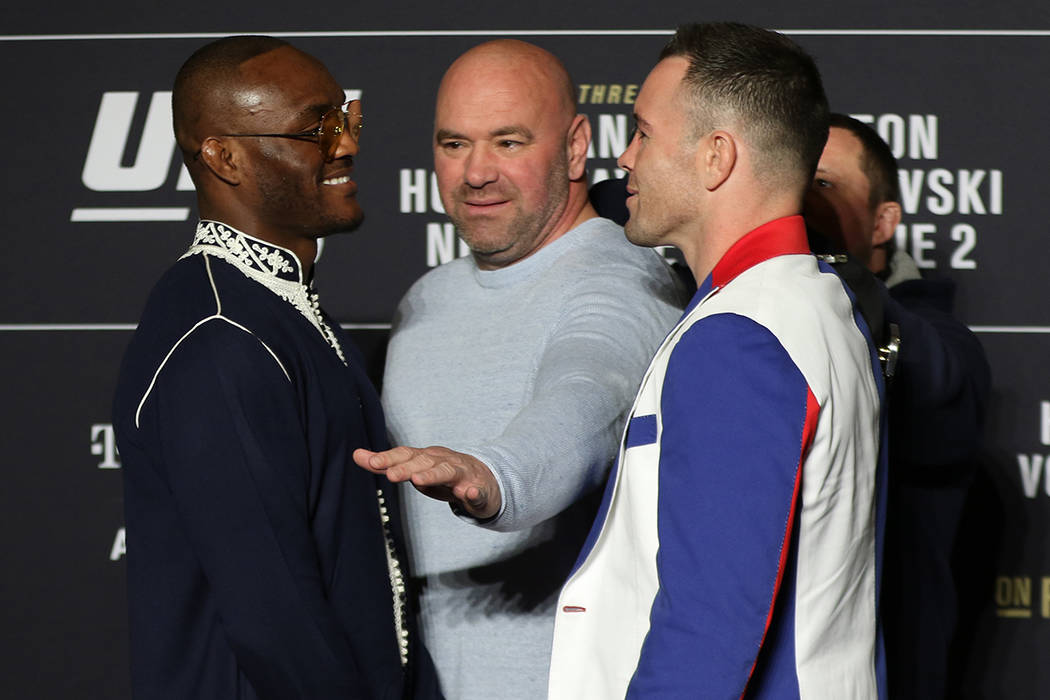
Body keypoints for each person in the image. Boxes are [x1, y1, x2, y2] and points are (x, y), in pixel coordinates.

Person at [548, 23, 888, 698]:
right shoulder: (821, 304)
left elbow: (708, 633)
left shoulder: (742, 337)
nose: (625, 157)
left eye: (643, 131)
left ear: (716, 158)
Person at [353, 39, 685, 699]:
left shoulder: (621, 278)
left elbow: (588, 392)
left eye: (508, 143)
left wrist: (493, 476)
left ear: (573, 146)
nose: (476, 173)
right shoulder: (425, 299)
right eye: (454, 145)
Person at [112, 35, 440, 700]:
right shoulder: (219, 338)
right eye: (316, 127)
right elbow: (275, 623)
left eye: (344, 118)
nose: (345, 144)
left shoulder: (276, 304)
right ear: (223, 156)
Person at [805, 114, 991, 700]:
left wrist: (839, 283)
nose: (797, 198)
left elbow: (943, 382)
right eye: (787, 177)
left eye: (823, 183)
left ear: (884, 221)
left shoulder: (935, 338)